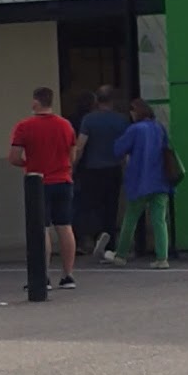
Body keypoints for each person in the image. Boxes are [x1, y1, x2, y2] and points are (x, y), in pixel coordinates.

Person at [9, 85, 79, 285]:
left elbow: (14, 157)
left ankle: (43, 276)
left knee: (42, 228)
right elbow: (72, 156)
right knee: (65, 227)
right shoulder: (65, 125)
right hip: (64, 180)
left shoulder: (24, 126)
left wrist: (29, 163)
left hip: (38, 182)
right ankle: (68, 275)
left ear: (35, 102)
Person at [111, 94, 173, 264]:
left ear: (135, 112)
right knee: (159, 221)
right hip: (160, 180)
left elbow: (118, 149)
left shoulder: (135, 129)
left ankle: (121, 255)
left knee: (130, 218)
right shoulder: (159, 128)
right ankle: (162, 258)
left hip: (140, 181)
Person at [74, 83, 128, 261]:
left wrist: (73, 166)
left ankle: (92, 237)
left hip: (92, 169)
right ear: (113, 101)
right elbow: (125, 148)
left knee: (91, 206)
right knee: (111, 207)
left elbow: (80, 146)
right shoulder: (121, 120)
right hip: (113, 169)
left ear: (97, 100)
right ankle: (109, 244)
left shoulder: (89, 120)